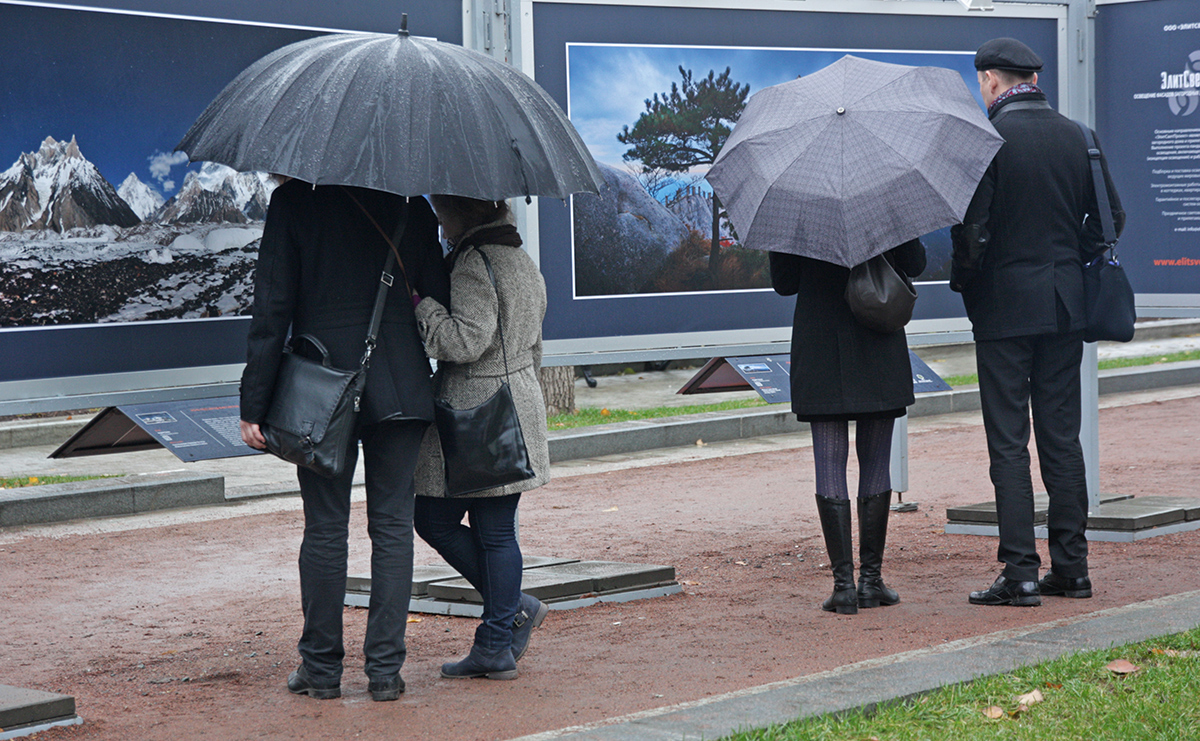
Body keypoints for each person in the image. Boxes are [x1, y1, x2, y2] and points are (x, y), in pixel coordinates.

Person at [239, 179, 449, 700]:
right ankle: (384, 673)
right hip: (401, 382)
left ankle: (321, 669)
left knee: (326, 528)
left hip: (319, 389)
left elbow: (272, 308)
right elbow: (436, 299)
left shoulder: (294, 203)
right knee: (394, 527)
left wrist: (254, 403)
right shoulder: (410, 206)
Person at [951, 38, 1124, 607]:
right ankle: (1072, 569)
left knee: (1008, 443)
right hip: (1065, 307)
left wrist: (968, 278)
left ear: (993, 81)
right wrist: (1062, 260)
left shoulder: (988, 141)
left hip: (1003, 309)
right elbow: (1110, 219)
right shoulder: (1080, 136)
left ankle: (1021, 572)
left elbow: (973, 233)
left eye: (982, 84)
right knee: (1060, 438)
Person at [412, 194, 551, 680]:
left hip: (479, 411)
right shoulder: (520, 259)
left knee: (452, 523)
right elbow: (534, 343)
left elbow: (464, 341)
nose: (439, 224)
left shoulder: (473, 262)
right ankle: (509, 615)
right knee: (468, 525)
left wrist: (422, 305)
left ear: (462, 215)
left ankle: (497, 638)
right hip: (516, 403)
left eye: (442, 214)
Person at [770, 239, 926, 615]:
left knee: (829, 460)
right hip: (877, 333)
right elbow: (915, 263)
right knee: (875, 461)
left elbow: (785, 282)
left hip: (820, 339)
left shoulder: (798, 205)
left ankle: (843, 588)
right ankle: (871, 582)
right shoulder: (885, 197)